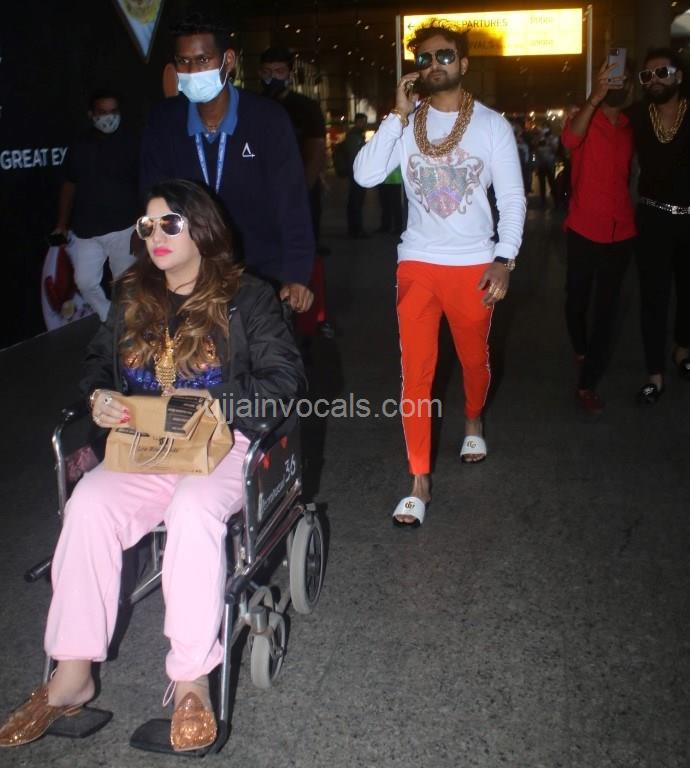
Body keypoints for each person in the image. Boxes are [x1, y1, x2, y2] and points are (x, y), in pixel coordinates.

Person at [0, 180, 305, 752]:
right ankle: (71, 675)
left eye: (170, 224)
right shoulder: (132, 293)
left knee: (192, 509)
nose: (155, 235)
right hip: (147, 444)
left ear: (202, 229)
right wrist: (100, 397)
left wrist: (216, 401)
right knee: (88, 504)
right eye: (147, 225)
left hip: (223, 442)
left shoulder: (247, 296)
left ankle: (191, 682)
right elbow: (98, 363)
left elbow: (285, 379)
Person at [353, 19, 526, 527]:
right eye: (424, 58)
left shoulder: (491, 126)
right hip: (418, 263)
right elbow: (365, 175)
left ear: (463, 63)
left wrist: (504, 258)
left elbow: (512, 198)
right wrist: (395, 115)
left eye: (444, 56)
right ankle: (419, 480)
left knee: (474, 360)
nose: (434, 65)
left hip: (474, 264)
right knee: (416, 374)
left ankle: (473, 417)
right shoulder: (406, 124)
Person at [140, 13, 314, 313]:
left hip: (261, 272)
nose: (192, 71)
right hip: (189, 275)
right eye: (183, 62)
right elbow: (151, 198)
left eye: (203, 59)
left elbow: (292, 202)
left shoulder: (267, 119)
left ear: (228, 60)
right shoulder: (163, 121)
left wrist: (296, 275)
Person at [561, 59, 636, 414]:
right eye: (610, 77)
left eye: (624, 79)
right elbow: (569, 140)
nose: (618, 84)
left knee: (607, 311)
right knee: (575, 302)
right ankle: (580, 349)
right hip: (583, 229)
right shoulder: (584, 118)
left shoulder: (631, 127)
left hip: (622, 232)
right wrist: (594, 98)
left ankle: (587, 384)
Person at [258, 46, 333, 339]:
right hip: (264, 199)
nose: (273, 77)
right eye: (267, 72)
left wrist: (299, 196)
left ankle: (315, 317)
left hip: (299, 195)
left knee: (304, 254)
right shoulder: (253, 105)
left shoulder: (305, 107)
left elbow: (315, 153)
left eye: (279, 71)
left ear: (289, 73)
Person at [629, 47, 690, 403]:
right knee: (654, 298)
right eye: (647, 75)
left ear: (678, 76)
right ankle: (655, 373)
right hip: (653, 219)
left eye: (662, 72)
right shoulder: (637, 115)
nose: (654, 79)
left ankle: (682, 348)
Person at [53, 89, 139, 321]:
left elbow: (145, 182)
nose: (109, 117)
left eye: (113, 111)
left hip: (124, 228)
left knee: (126, 285)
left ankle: (126, 328)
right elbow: (69, 183)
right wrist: (61, 224)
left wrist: (143, 225)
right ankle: (109, 318)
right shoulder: (80, 145)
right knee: (84, 281)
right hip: (86, 231)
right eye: (102, 112)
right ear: (91, 114)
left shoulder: (132, 142)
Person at [346, 113, 369, 237]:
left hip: (355, 172)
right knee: (356, 201)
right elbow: (355, 155)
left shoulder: (355, 135)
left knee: (356, 201)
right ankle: (356, 229)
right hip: (356, 172)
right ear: (358, 122)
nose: (365, 124)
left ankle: (355, 228)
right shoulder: (354, 136)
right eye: (363, 122)